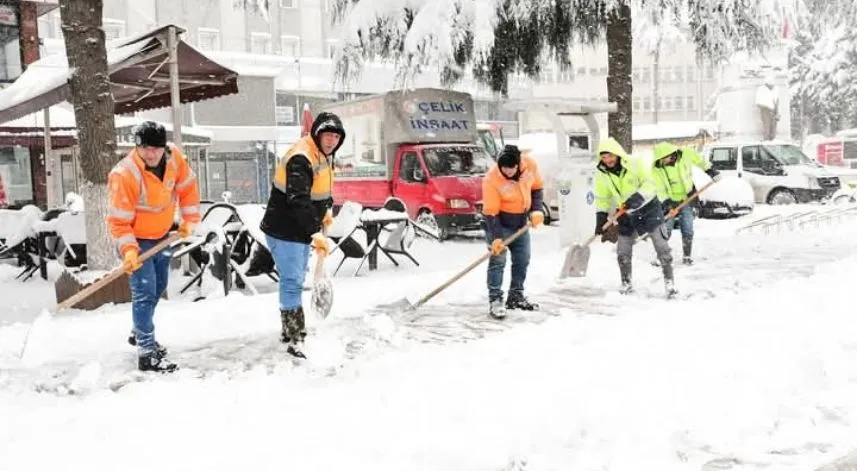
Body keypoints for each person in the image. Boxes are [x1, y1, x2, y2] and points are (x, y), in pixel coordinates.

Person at [107, 121, 201, 373]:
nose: (150, 154)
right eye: (145, 148)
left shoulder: (174, 160)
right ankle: (147, 352)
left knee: (158, 286)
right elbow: (118, 221)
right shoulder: (124, 174)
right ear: (136, 147)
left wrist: (189, 220)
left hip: (162, 235)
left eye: (156, 149)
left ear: (164, 148)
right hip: (135, 240)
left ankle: (139, 330)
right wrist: (128, 250)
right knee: (145, 291)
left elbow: (188, 187)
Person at [260, 112, 345, 359]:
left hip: (300, 229)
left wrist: (326, 209)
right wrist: (314, 232)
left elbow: (321, 187)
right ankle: (295, 336)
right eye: (327, 135)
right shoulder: (301, 157)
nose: (331, 141)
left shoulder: (323, 154)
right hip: (285, 229)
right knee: (292, 280)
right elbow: (297, 199)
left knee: (295, 278)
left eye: (336, 136)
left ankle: (290, 331)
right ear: (317, 134)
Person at [593, 137, 676, 297]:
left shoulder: (635, 163)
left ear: (617, 154)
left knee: (662, 248)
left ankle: (670, 284)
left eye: (610, 156)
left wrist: (639, 196)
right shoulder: (602, 173)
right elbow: (602, 198)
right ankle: (626, 283)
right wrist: (601, 216)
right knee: (623, 251)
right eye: (603, 157)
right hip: (626, 213)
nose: (607, 160)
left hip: (649, 209)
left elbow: (650, 184)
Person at [481, 144, 545, 319]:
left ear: (518, 164)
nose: (507, 172)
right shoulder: (491, 179)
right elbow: (491, 212)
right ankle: (495, 300)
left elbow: (537, 188)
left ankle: (515, 296)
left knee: (522, 260)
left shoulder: (529, 165)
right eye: (504, 168)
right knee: (497, 262)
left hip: (521, 224)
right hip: (499, 223)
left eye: (511, 168)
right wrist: (496, 238)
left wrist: (536, 210)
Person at [651, 142, 722, 265]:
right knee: (665, 228)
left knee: (687, 227)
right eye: (660, 160)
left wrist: (711, 171)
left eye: (664, 159)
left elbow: (701, 161)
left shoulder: (686, 154)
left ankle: (687, 256)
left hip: (687, 197)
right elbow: (659, 187)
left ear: (670, 154)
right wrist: (667, 203)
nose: (662, 162)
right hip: (670, 200)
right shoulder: (657, 168)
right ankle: (661, 256)